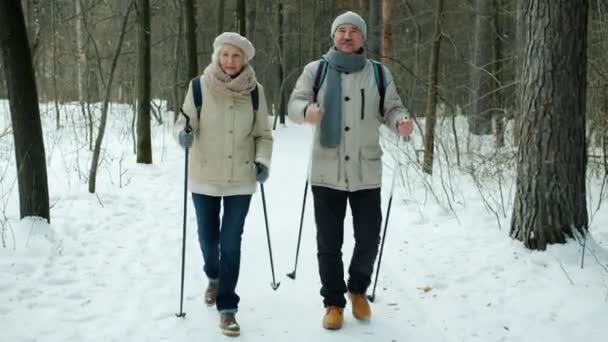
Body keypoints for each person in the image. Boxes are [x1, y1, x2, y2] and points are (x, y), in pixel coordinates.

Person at [287, 11, 413, 330]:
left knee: (368, 238)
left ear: (362, 38)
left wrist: (400, 121)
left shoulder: (379, 74)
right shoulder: (315, 71)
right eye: (341, 31)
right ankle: (333, 302)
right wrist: (307, 111)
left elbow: (392, 106)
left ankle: (358, 289)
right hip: (326, 171)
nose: (346, 36)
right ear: (333, 37)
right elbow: (294, 104)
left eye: (353, 31)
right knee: (329, 242)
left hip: (365, 172)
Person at [174, 32, 273, 337]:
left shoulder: (255, 91)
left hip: (240, 179)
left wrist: (262, 161)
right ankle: (213, 277)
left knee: (231, 243)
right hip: (204, 177)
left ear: (245, 60)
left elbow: (263, 135)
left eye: (237, 56)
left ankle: (227, 307)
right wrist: (183, 135)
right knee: (208, 239)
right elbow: (182, 122)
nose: (230, 61)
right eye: (226, 54)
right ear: (217, 56)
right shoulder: (198, 87)